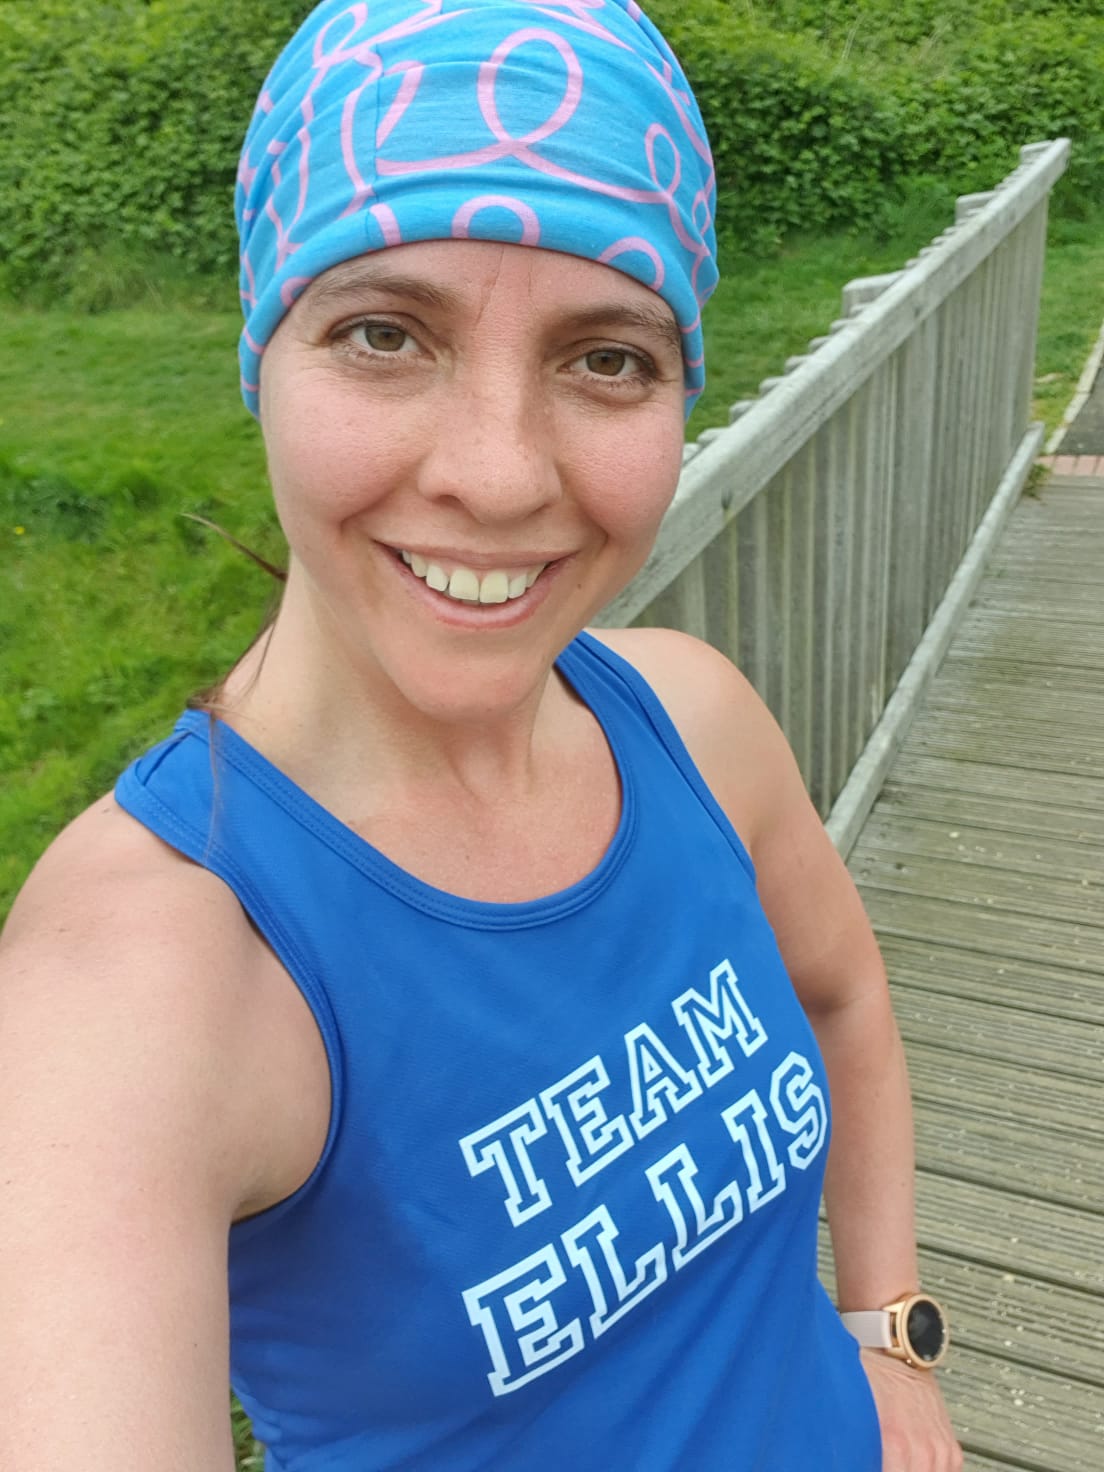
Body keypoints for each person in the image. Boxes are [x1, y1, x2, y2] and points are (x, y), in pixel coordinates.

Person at [0, 2, 962, 1468]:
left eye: (607, 358)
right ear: (262, 354)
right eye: (384, 334)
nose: (501, 475)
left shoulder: (691, 720)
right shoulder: (147, 977)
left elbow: (846, 1002)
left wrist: (888, 1333)